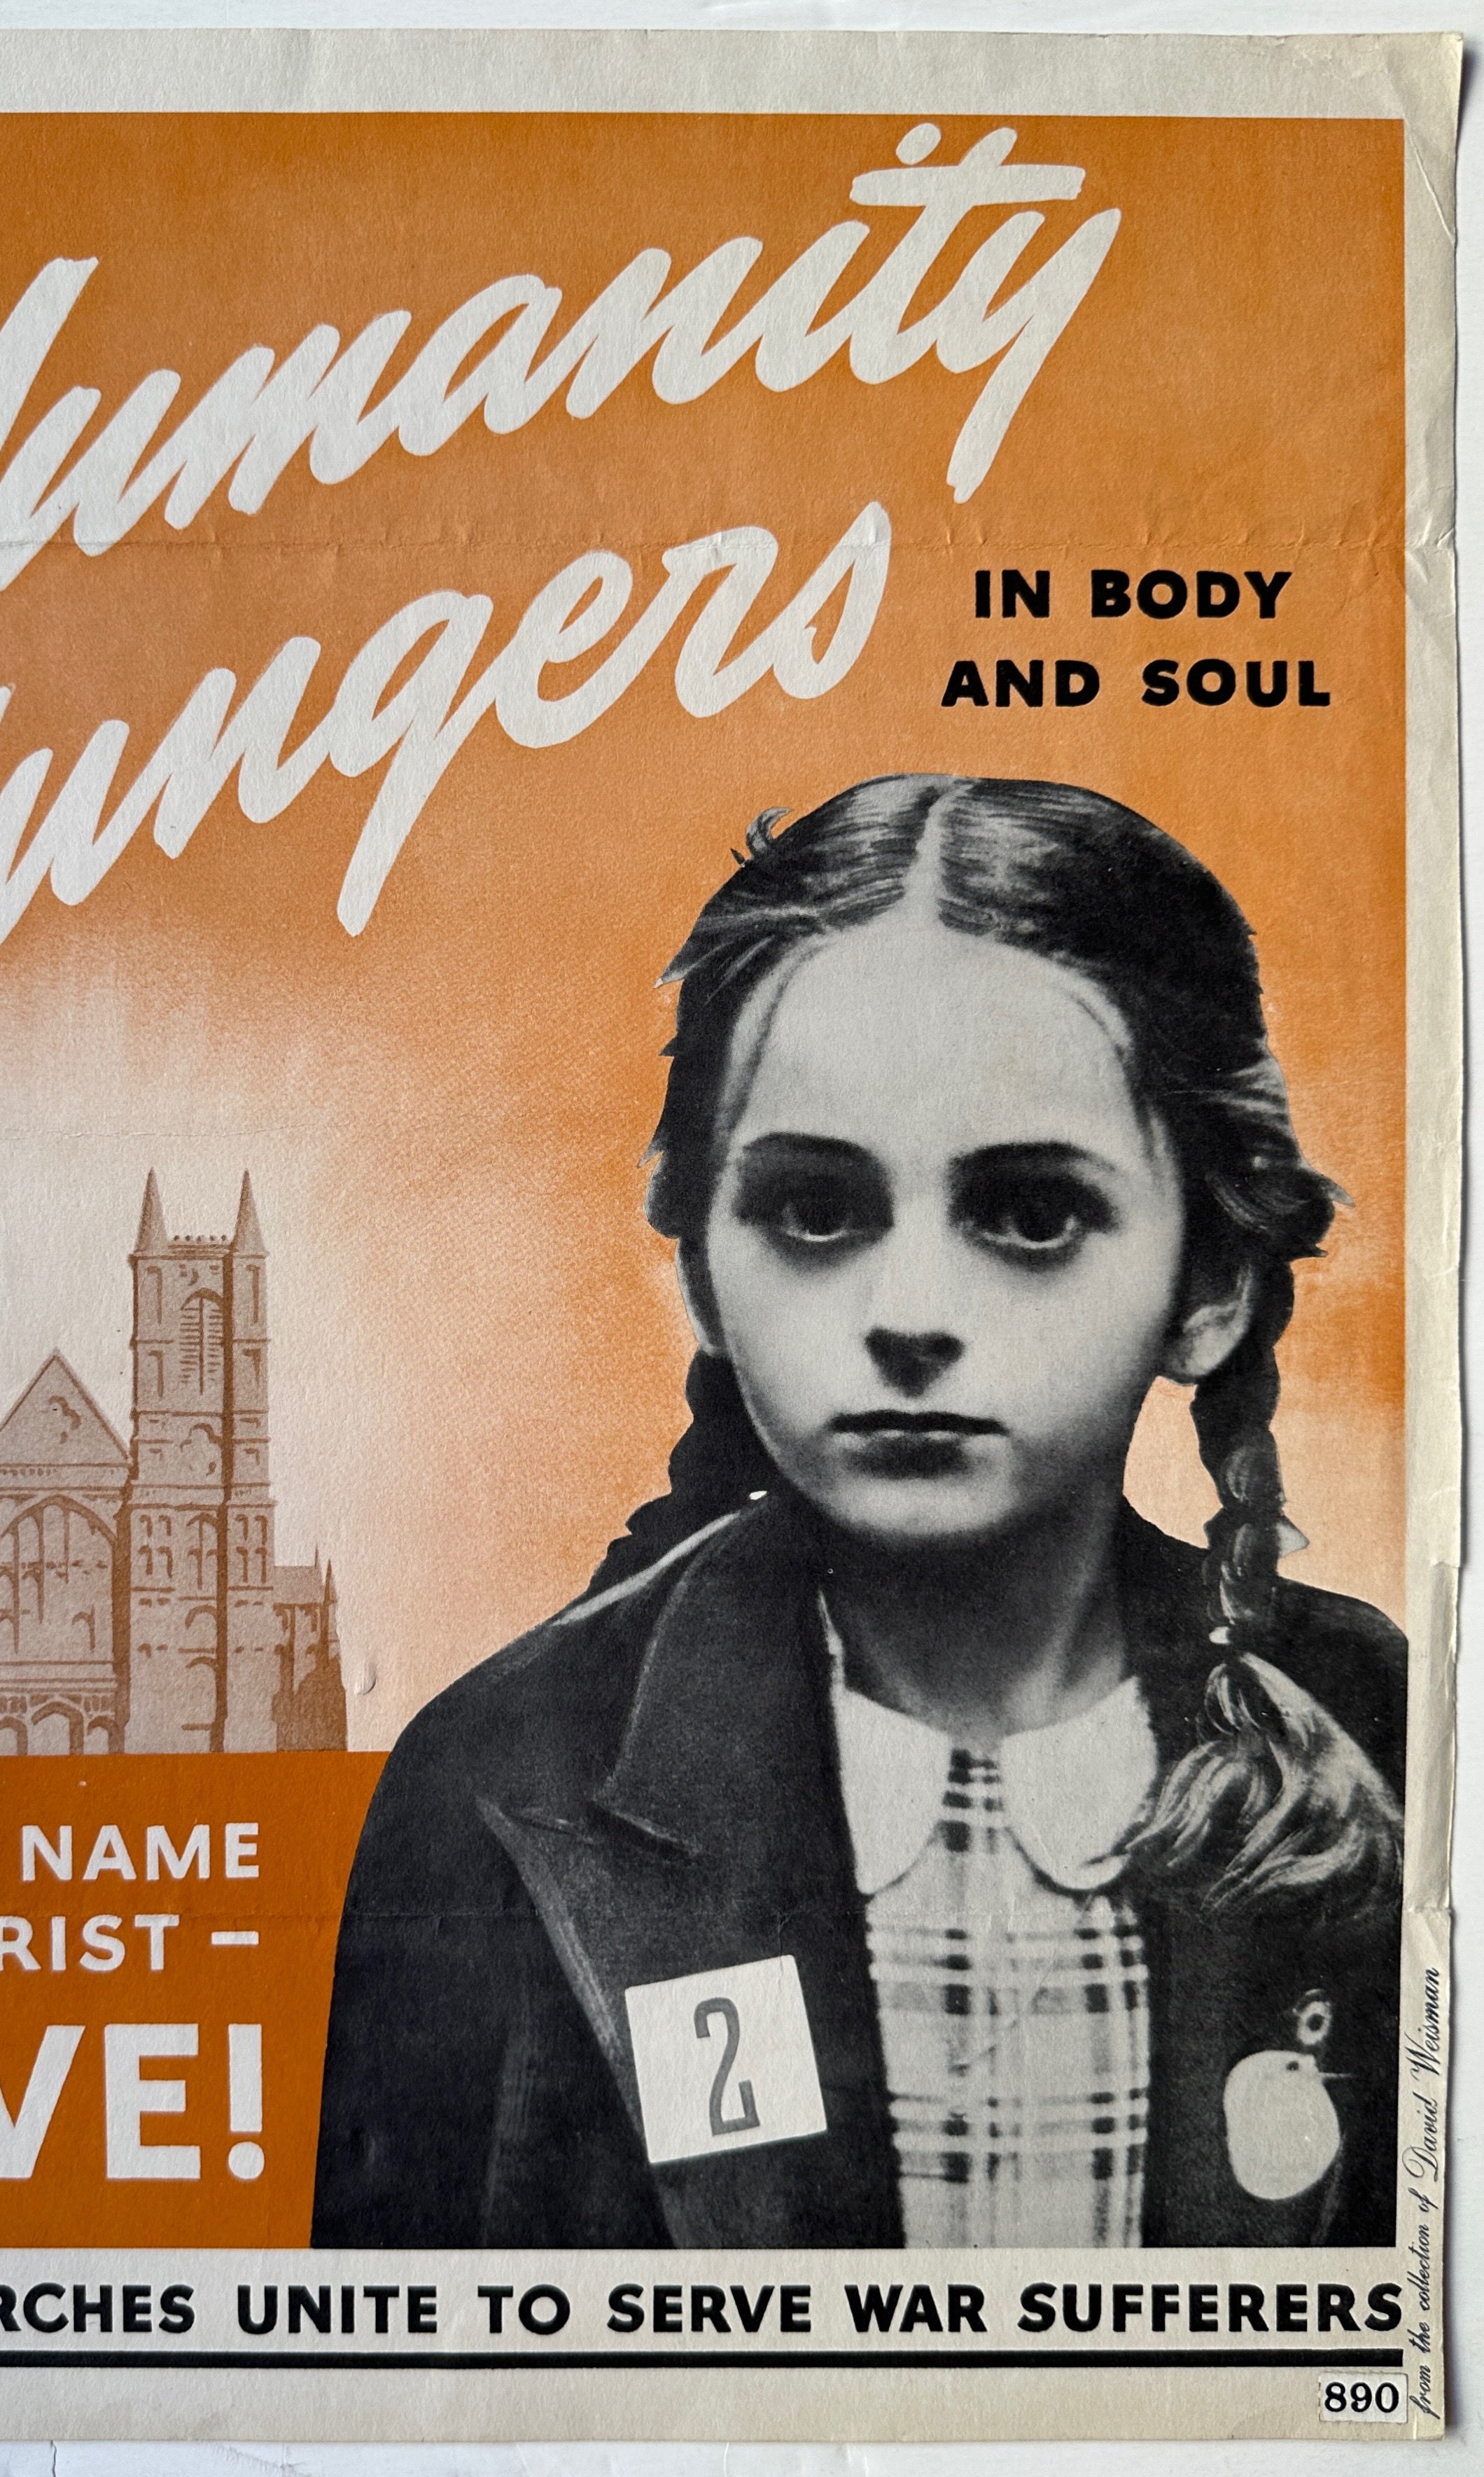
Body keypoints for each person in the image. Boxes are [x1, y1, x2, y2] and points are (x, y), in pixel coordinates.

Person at [312, 774, 1405, 2251]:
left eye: (1028, 1211)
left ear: (1210, 1282)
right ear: (702, 1260)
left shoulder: (1398, 1736)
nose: (907, 1316)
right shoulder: (501, 1782)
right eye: (818, 1211)